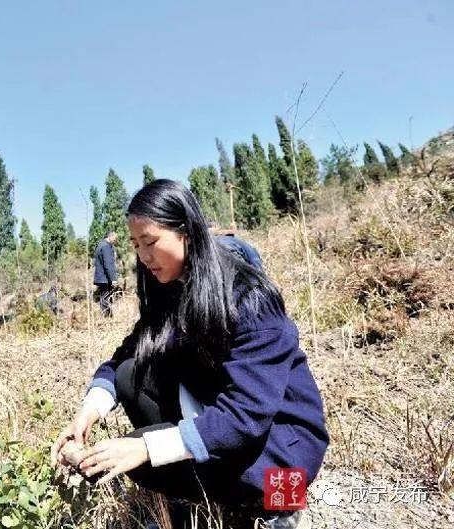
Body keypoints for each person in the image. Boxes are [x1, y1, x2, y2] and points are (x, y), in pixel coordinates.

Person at [52, 180, 327, 528]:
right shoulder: (172, 291)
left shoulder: (250, 298)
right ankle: (209, 498)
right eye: (136, 245)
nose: (143, 257)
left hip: (283, 453)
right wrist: (88, 411)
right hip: (227, 431)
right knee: (131, 375)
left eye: (150, 242)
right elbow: (122, 359)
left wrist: (148, 447)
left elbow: (246, 414)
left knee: (147, 452)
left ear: (187, 232)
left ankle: (277, 508)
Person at [93, 231, 118, 317]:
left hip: (101, 277)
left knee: (104, 298)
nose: (115, 241)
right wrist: (113, 279)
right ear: (110, 236)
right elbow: (108, 264)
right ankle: (107, 318)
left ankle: (106, 317)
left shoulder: (100, 245)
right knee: (106, 299)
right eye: (115, 239)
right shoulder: (106, 247)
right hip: (105, 278)